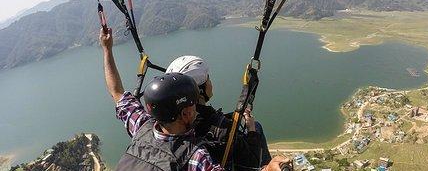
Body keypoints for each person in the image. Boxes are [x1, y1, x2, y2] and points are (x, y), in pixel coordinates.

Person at [99, 28, 288, 171]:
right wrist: (269, 168)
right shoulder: (194, 157)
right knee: (257, 128)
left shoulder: (142, 126)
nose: (195, 110)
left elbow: (117, 93)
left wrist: (106, 49)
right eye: (192, 106)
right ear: (185, 113)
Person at [166, 56, 272, 167]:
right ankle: (271, 165)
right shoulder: (222, 129)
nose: (210, 83)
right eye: (208, 79)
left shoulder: (174, 122)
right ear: (200, 90)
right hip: (227, 161)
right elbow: (252, 161)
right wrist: (251, 129)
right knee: (256, 127)